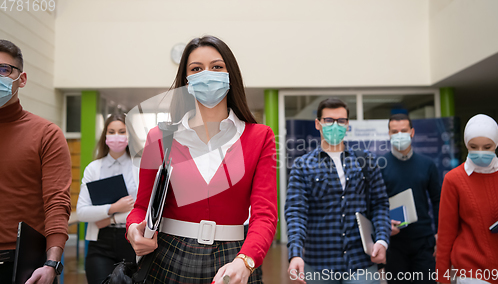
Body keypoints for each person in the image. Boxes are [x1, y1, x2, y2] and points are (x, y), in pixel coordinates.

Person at [126, 35, 278, 284]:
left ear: (231, 75)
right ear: (186, 81)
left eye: (217, 67)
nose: (207, 74)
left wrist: (246, 261)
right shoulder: (160, 138)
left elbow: (265, 215)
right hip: (167, 256)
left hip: (235, 259)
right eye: (196, 69)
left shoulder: (259, 137)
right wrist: (133, 229)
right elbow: (141, 207)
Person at [285, 98, 391, 284]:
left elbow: (380, 204)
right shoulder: (303, 166)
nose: (336, 125)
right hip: (319, 265)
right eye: (329, 120)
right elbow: (296, 212)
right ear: (318, 124)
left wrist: (382, 240)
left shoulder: (365, 161)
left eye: (341, 121)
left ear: (348, 125)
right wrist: (295, 253)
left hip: (361, 262)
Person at [0, 39, 71, 283]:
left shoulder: (46, 133)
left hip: (22, 265)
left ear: (22, 79)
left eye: (4, 69)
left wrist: (52, 262)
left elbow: (57, 202)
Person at [436, 114, 498, 284]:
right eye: (473, 147)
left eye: (487, 147)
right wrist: (442, 277)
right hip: (470, 271)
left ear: (496, 145)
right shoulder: (454, 179)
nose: (480, 152)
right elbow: (445, 233)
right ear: (466, 145)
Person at [76, 113, 138, 284]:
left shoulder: (139, 167)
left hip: (131, 240)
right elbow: (81, 212)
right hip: (100, 244)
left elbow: (144, 211)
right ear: (105, 136)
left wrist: (110, 219)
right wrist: (114, 207)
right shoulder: (93, 169)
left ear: (129, 135)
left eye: (121, 131)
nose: (116, 136)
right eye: (111, 131)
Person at [380, 113, 441, 283]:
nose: (399, 135)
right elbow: (374, 204)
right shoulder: (380, 165)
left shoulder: (427, 164)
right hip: (394, 242)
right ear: (389, 134)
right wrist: (383, 228)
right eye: (395, 131)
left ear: (412, 132)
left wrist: (440, 234)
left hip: (423, 241)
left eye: (404, 130)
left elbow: (438, 200)